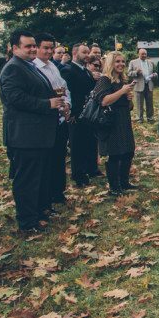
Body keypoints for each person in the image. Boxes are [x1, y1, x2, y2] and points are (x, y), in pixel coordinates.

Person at [0, 30, 62, 232]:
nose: (33, 49)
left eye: (34, 45)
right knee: (27, 179)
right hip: (24, 136)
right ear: (14, 48)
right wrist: (47, 104)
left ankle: (40, 210)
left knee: (41, 175)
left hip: (39, 134)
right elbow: (15, 98)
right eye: (28, 46)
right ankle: (27, 222)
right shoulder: (12, 69)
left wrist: (57, 101)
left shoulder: (29, 66)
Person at [33, 33, 71, 209]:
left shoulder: (53, 66)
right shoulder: (34, 67)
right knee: (48, 160)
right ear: (37, 47)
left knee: (59, 157)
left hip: (61, 118)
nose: (48, 51)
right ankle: (47, 196)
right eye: (45, 48)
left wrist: (68, 105)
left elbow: (63, 88)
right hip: (46, 120)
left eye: (51, 48)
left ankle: (58, 192)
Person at [93, 51, 136, 195]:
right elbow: (104, 100)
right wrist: (122, 92)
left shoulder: (121, 80)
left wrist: (129, 98)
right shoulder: (104, 80)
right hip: (110, 121)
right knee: (115, 153)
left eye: (123, 61)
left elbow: (128, 107)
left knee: (128, 151)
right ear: (111, 63)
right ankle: (114, 187)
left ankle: (125, 182)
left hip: (124, 119)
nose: (121, 64)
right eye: (117, 61)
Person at [62, 44, 100, 186]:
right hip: (76, 114)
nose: (87, 55)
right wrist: (71, 112)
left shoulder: (85, 70)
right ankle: (79, 175)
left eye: (88, 52)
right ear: (74, 53)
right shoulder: (68, 69)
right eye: (84, 52)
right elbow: (69, 92)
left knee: (90, 141)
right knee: (78, 145)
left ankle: (92, 168)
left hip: (88, 112)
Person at [127, 48, 157, 122]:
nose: (144, 55)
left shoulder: (151, 62)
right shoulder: (133, 62)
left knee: (150, 103)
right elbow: (129, 73)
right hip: (139, 85)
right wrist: (136, 72)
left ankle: (150, 118)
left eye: (145, 54)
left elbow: (155, 72)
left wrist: (154, 75)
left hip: (149, 85)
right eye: (142, 54)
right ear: (139, 54)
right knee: (139, 103)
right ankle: (140, 118)